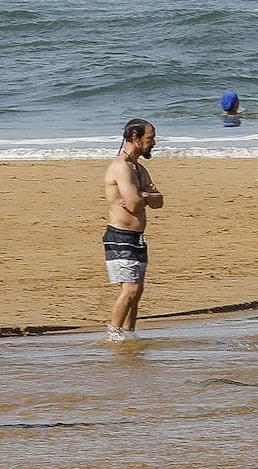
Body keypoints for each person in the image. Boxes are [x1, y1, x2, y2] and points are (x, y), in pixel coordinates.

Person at [103, 117, 164, 342]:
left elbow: (158, 201)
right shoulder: (120, 167)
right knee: (129, 290)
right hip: (120, 236)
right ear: (135, 138)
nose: (154, 143)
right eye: (150, 138)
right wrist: (143, 197)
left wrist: (144, 196)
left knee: (137, 292)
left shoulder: (139, 168)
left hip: (137, 237)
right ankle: (113, 335)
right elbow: (135, 204)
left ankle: (129, 336)